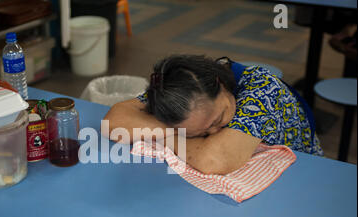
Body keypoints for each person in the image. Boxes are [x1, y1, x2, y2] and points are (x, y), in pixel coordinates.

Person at [103, 55, 323, 175]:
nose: (213, 133)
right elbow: (114, 123)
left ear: (221, 84)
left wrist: (170, 136)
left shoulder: (263, 90)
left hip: (303, 177)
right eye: (197, 132)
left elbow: (213, 161)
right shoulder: (178, 88)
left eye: (218, 120)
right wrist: (176, 132)